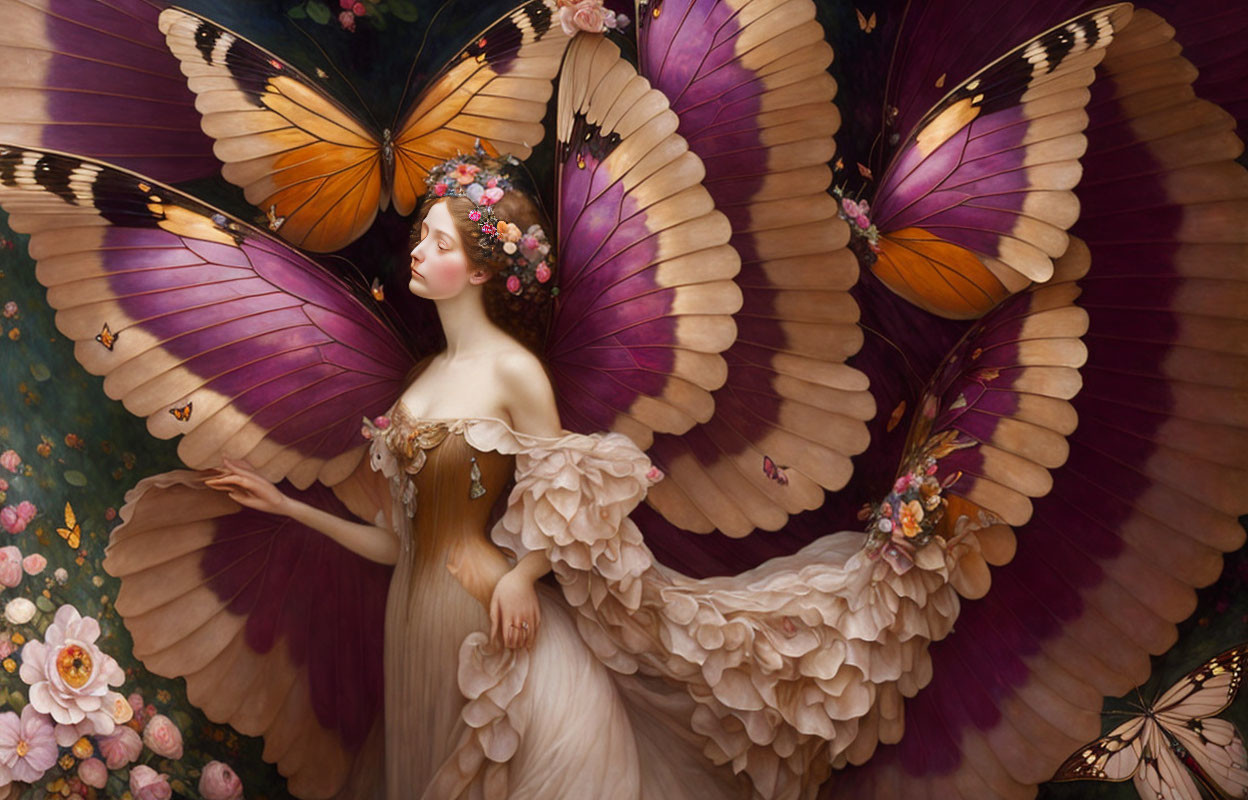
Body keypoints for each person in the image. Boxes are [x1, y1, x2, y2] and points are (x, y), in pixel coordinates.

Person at [197, 155, 750, 799]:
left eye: (441, 243)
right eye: (421, 237)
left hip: (483, 614)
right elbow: (396, 545)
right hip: (411, 626)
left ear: (482, 271)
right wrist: (288, 507)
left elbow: (567, 497)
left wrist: (523, 575)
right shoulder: (420, 381)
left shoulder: (515, 371)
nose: (419, 252)